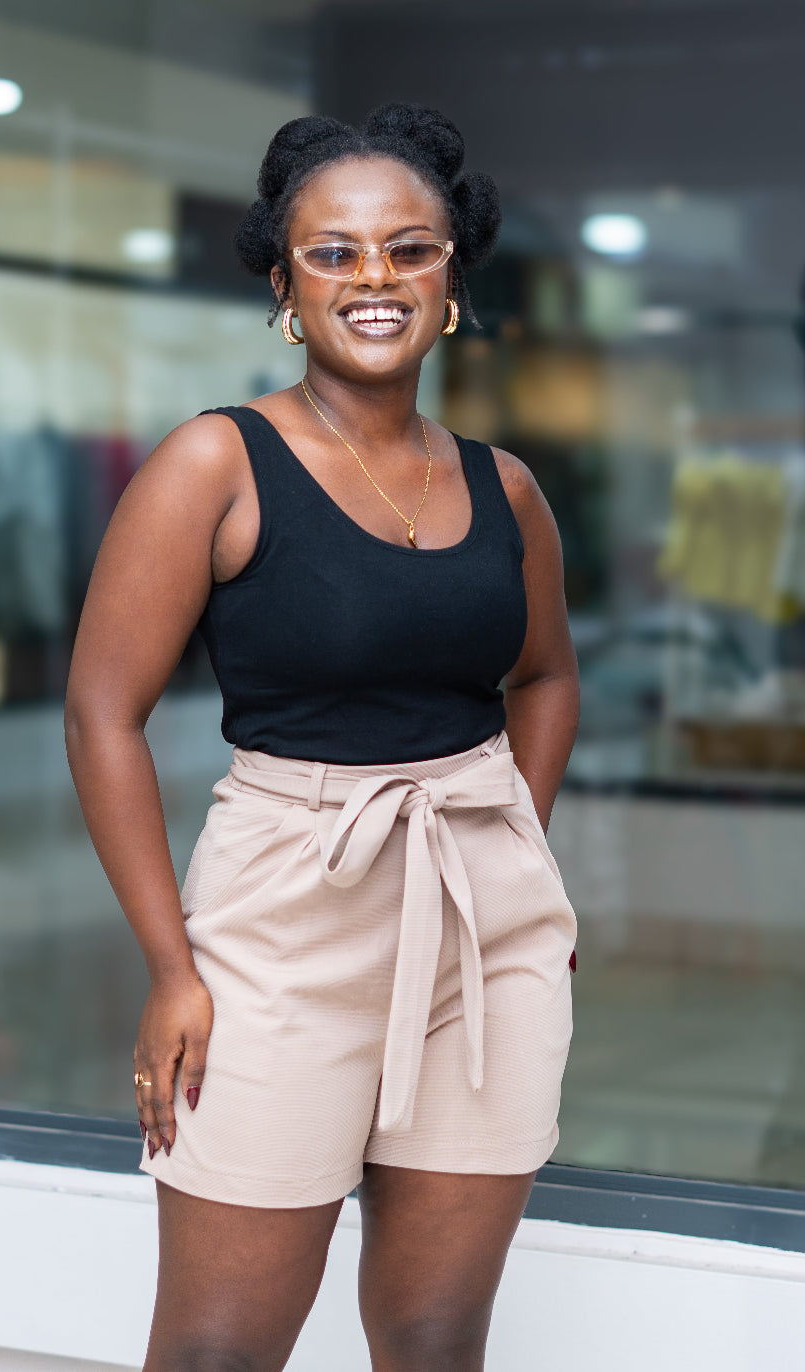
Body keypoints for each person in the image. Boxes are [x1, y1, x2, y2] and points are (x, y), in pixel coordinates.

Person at [64, 102, 579, 1372]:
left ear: (452, 274)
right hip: (282, 921)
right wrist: (172, 968)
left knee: (434, 1333)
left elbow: (548, 678)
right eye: (334, 252)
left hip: (481, 928)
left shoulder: (503, 485)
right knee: (221, 1349)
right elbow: (102, 713)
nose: (374, 279)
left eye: (409, 249)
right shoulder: (213, 464)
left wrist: (513, 854)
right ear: (285, 281)